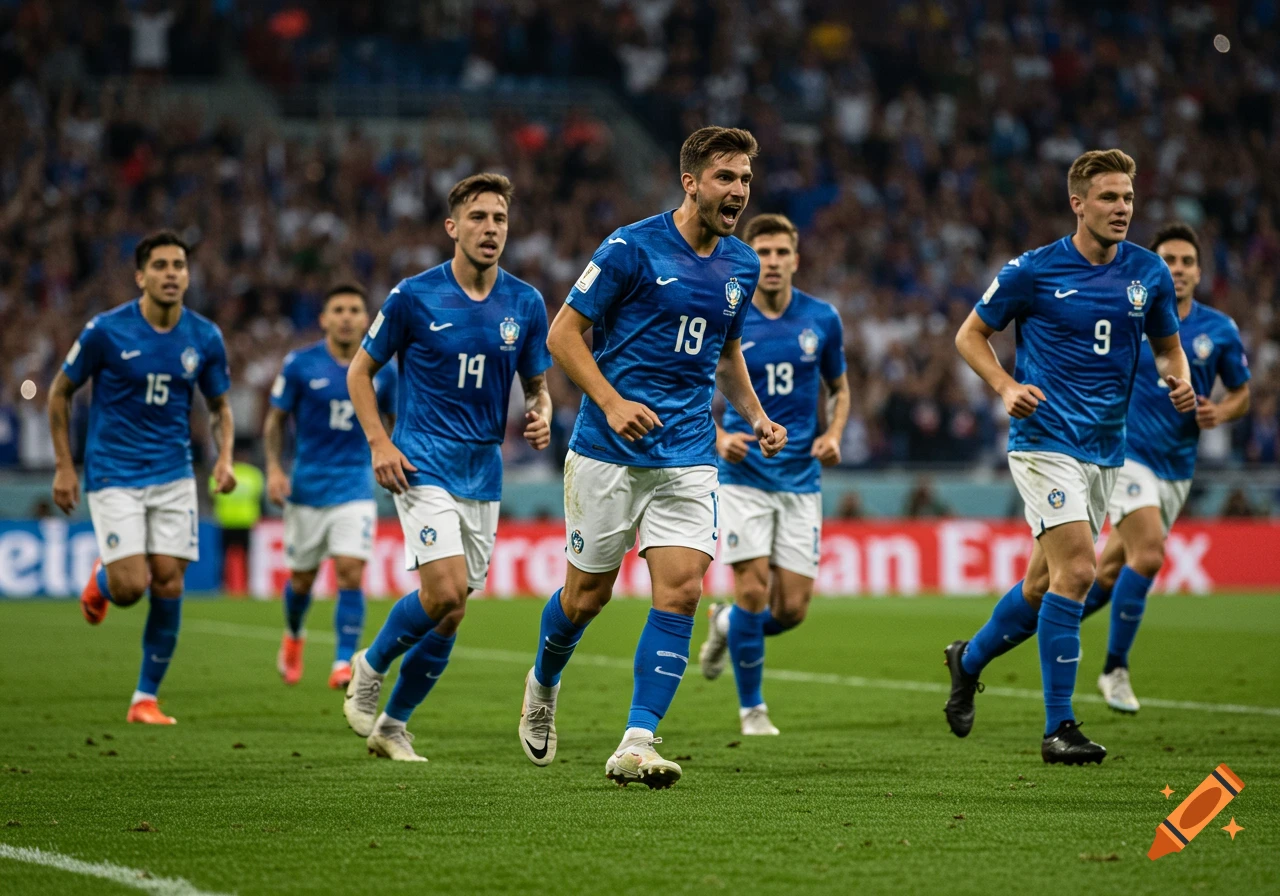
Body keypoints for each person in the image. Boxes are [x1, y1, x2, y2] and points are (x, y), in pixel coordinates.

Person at [517, 126, 787, 789]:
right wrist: (609, 402)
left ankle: (638, 739)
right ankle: (544, 679)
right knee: (586, 598)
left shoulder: (741, 265)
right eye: (726, 177)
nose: (739, 191)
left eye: (747, 179)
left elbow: (725, 353)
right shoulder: (629, 248)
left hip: (689, 451)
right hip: (609, 449)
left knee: (684, 590)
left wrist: (754, 414)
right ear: (690, 182)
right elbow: (562, 334)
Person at [945, 150, 1194, 764]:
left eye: (1129, 198)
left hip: (1108, 450)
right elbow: (969, 335)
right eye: (1109, 198)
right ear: (1077, 203)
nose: (1122, 209)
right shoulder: (1033, 270)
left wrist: (1177, 378)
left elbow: (1168, 348)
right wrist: (1005, 387)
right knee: (1079, 573)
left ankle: (968, 658)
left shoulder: (1149, 273)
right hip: (1044, 442)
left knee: (1041, 584)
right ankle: (1060, 728)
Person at [341, 173, 552, 762]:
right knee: (443, 590)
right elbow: (360, 373)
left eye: (500, 219)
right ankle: (371, 662)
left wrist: (540, 414)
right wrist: (381, 444)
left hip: (483, 471)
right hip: (421, 461)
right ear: (452, 227)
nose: (491, 229)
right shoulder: (414, 295)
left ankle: (392, 726)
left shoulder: (526, 303)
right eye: (479, 217)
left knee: (452, 610)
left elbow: (538, 385)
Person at [48, 230, 236, 724]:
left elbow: (219, 406)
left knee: (170, 582)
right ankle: (103, 578)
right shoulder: (105, 331)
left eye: (179, 265)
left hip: (173, 473)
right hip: (114, 472)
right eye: (160, 266)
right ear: (141, 276)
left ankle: (144, 699)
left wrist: (224, 458)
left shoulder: (204, 336)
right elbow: (59, 393)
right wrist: (66, 465)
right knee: (132, 587)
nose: (171, 273)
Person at [1083, 222, 1251, 712]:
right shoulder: (1126, 317)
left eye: (1186, 262)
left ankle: (1044, 618)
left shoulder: (1219, 329)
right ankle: (1115, 668)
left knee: (1111, 572)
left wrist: (1221, 410)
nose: (1177, 269)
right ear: (1154, 267)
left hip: (1177, 467)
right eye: (1169, 261)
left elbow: (1241, 393)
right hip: (1125, 456)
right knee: (1150, 554)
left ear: (1199, 272)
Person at [695, 213, 848, 736]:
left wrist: (834, 434)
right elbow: (694, 386)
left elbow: (839, 389)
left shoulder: (822, 318)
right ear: (749, 257)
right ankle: (752, 708)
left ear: (796, 259)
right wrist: (719, 438)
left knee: (792, 609)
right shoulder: (727, 315)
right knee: (754, 593)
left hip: (802, 479)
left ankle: (724, 623)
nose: (773, 262)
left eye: (782, 252)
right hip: (744, 478)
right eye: (762, 252)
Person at [264, 283, 398, 689]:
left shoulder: (384, 370)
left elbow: (394, 421)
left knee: (350, 572)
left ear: (366, 318)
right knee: (302, 580)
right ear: (323, 319)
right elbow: (274, 421)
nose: (345, 317)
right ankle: (293, 634)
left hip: (355, 485)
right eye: (337, 309)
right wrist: (273, 468)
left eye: (354, 309)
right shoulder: (300, 364)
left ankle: (343, 662)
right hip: (306, 489)